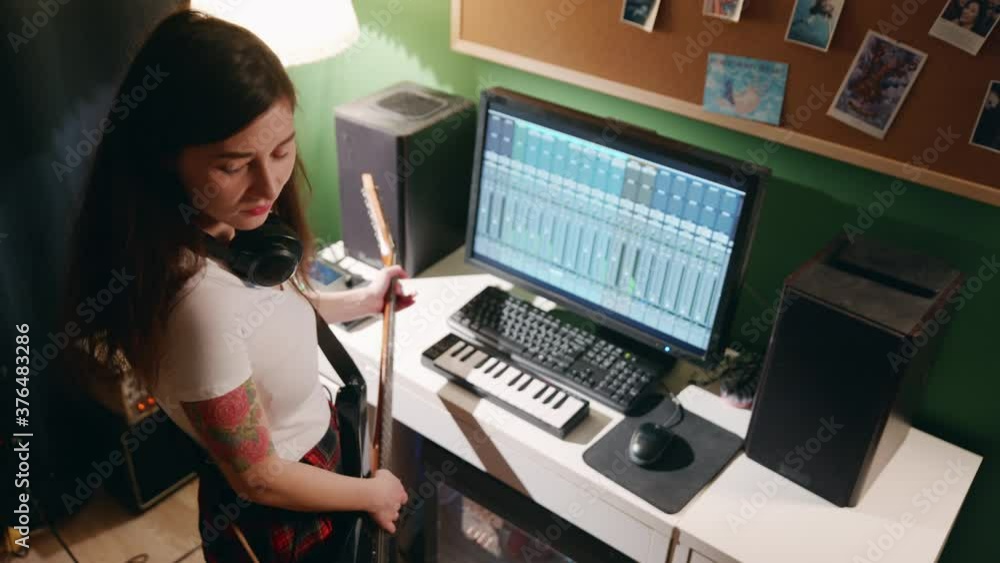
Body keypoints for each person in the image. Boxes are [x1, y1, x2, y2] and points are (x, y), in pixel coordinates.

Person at [61, 9, 413, 562]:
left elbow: (266, 320)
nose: (269, 185)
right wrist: (374, 493)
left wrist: (362, 301)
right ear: (165, 156)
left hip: (315, 470)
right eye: (233, 165)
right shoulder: (196, 306)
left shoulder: (221, 229)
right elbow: (259, 477)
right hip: (286, 514)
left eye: (282, 150)